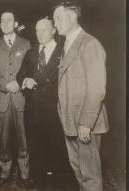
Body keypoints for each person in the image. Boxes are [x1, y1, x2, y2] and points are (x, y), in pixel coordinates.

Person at [53, 2, 109, 191]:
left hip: (86, 124)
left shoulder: (89, 43)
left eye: (58, 18)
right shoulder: (68, 44)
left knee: (90, 176)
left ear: (73, 16)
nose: (55, 23)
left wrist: (86, 122)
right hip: (70, 121)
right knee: (79, 170)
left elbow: (97, 88)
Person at [16, 17, 70, 190]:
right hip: (33, 112)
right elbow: (19, 75)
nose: (39, 34)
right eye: (37, 30)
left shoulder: (64, 51)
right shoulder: (31, 52)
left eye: (44, 30)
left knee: (56, 150)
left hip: (55, 111)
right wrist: (25, 80)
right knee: (36, 149)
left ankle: (56, 184)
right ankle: (39, 184)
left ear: (54, 30)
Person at [0, 10, 31, 189]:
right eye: (2, 20)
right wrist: (4, 85)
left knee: (24, 139)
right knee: (3, 140)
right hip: (1, 100)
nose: (5, 23)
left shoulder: (26, 44)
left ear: (16, 24)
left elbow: (30, 70)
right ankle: (5, 172)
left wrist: (19, 84)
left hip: (21, 99)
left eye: (9, 20)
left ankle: (25, 173)